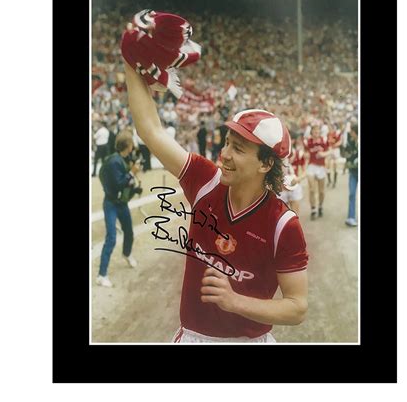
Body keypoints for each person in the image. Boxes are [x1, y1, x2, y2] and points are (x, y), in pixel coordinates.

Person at [124, 62, 309, 343]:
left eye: (238, 148)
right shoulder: (205, 180)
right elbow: (151, 130)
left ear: (266, 164)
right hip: (194, 337)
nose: (224, 154)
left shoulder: (283, 224)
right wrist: (130, 60)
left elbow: (296, 307)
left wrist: (234, 301)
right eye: (226, 142)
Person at [96, 130, 141, 288]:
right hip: (112, 204)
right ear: (128, 146)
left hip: (119, 203)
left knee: (129, 231)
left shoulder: (121, 159)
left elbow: (123, 184)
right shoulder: (115, 161)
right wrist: (132, 173)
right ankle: (102, 275)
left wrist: (134, 189)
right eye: (131, 144)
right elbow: (119, 183)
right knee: (111, 237)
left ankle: (127, 253)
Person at [304, 124, 331, 220]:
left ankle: (320, 206)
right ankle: (313, 209)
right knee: (311, 189)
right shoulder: (308, 141)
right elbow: (305, 152)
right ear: (311, 132)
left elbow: (329, 151)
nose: (316, 132)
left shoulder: (324, 140)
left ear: (320, 132)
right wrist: (306, 155)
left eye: (318, 131)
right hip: (311, 166)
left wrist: (323, 154)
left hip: (321, 167)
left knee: (321, 191)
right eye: (315, 131)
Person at [342, 123, 358, 226]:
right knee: (352, 194)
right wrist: (345, 166)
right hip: (353, 172)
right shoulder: (350, 142)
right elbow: (347, 155)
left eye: (352, 131)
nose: (350, 133)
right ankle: (351, 217)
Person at [326, 122, 342, 188]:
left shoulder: (337, 133)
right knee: (327, 165)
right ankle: (329, 181)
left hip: (335, 150)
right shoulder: (328, 134)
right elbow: (326, 143)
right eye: (329, 127)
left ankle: (334, 182)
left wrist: (335, 145)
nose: (330, 128)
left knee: (335, 165)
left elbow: (340, 141)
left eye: (331, 127)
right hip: (330, 150)